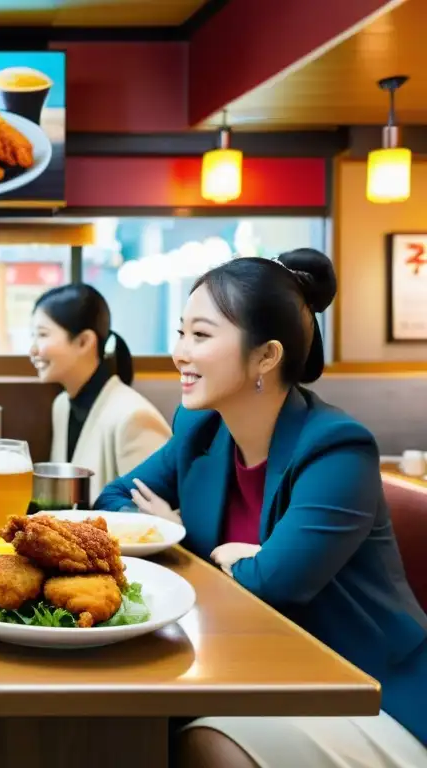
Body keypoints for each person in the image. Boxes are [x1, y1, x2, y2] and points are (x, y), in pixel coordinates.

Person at [94, 249, 427, 766]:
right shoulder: (199, 429)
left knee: (204, 741)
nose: (180, 352)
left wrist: (176, 537)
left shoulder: (336, 449)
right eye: (181, 332)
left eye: (201, 335)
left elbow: (274, 588)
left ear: (266, 357)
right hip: (256, 674)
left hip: (368, 693)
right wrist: (210, 550)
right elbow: (112, 502)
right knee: (113, 721)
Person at [30, 283, 171, 506]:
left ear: (84, 341)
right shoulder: (62, 405)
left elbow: (153, 519)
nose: (33, 349)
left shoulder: (134, 417)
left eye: (42, 335)